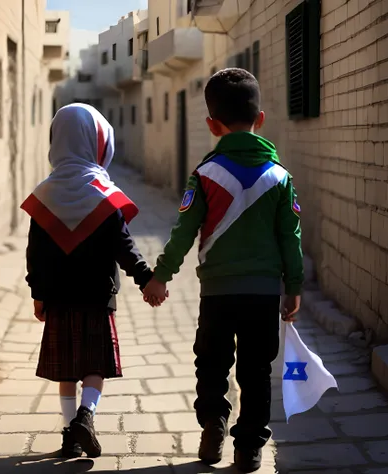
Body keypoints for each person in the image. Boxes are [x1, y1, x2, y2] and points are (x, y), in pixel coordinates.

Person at [143, 68, 303, 472]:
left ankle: (212, 427)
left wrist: (160, 276)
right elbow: (291, 238)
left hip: (216, 293)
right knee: (256, 368)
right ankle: (249, 447)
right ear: (260, 119)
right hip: (264, 293)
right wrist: (294, 286)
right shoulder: (280, 178)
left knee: (212, 363)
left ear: (212, 125)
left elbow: (183, 231)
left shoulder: (205, 174)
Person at [22, 104, 153, 459]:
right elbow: (124, 247)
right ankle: (87, 415)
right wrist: (147, 279)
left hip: (59, 299)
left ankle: (69, 434)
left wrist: (38, 294)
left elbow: (35, 253)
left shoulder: (45, 195)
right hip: (97, 298)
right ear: (97, 144)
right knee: (95, 366)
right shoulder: (104, 196)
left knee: (66, 367)